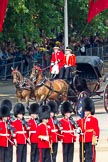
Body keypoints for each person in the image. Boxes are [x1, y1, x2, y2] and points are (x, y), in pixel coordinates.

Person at [77, 97, 100, 162]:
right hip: (83, 139)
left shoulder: (94, 119)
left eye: (86, 111)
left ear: (89, 111)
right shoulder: (82, 120)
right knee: (82, 155)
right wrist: (78, 129)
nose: (84, 112)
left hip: (90, 139)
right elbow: (77, 125)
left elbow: (96, 130)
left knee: (89, 155)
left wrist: (96, 140)